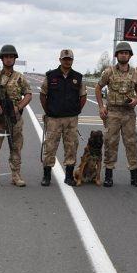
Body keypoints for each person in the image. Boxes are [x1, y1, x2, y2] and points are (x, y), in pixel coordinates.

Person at [0, 44, 32, 187]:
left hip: (14, 117)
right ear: (2, 59)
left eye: (11, 57)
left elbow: (28, 95)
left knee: (16, 146)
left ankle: (16, 175)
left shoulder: (20, 78)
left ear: (14, 59)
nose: (9, 59)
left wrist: (19, 107)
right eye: (6, 57)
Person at [95, 41, 137, 188]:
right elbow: (98, 88)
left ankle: (134, 176)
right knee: (110, 142)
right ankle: (108, 175)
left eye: (126, 53)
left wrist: (136, 100)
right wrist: (101, 107)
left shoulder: (135, 73)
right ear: (117, 55)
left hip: (128, 113)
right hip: (113, 113)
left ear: (130, 55)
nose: (124, 55)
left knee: (131, 143)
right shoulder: (109, 72)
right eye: (121, 53)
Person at [40, 49, 87, 186]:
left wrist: (77, 110)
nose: (67, 61)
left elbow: (83, 96)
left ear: (72, 60)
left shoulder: (78, 77)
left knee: (71, 146)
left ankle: (69, 176)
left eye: (69, 59)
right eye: (65, 59)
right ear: (60, 60)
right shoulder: (51, 76)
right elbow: (43, 95)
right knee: (50, 146)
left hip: (71, 119)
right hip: (54, 118)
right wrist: (48, 111)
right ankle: (47, 176)